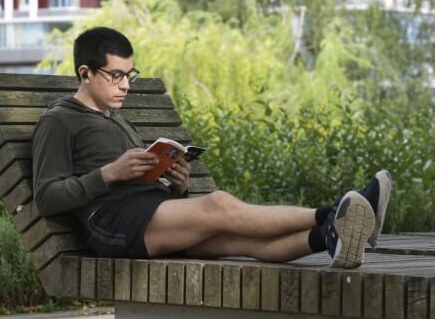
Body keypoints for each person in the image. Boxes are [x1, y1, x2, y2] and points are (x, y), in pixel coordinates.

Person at [31, 27, 393, 269]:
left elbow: (140, 182)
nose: (126, 85)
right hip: (111, 222)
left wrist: (177, 182)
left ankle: (330, 237)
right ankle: (337, 214)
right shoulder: (60, 120)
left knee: (240, 239)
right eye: (116, 75)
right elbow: (47, 196)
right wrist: (110, 173)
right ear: (85, 73)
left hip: (150, 210)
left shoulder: (115, 117)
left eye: (130, 74)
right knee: (220, 202)